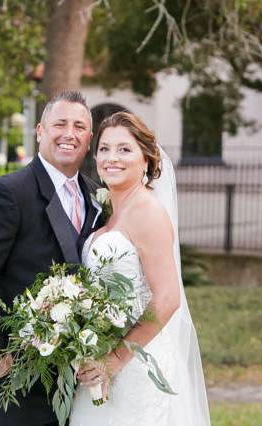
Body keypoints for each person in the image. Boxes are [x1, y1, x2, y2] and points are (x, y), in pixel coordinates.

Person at [0, 91, 102, 426]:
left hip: (83, 384)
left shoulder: (97, 197)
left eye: (79, 126)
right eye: (59, 123)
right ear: (39, 131)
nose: (69, 133)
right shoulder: (9, 193)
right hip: (24, 381)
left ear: (89, 139)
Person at [70, 112, 211, 425]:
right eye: (104, 149)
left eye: (124, 149)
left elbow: (167, 298)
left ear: (146, 160)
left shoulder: (147, 212)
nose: (111, 158)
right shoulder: (112, 214)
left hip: (136, 367)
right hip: (102, 362)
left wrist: (114, 361)